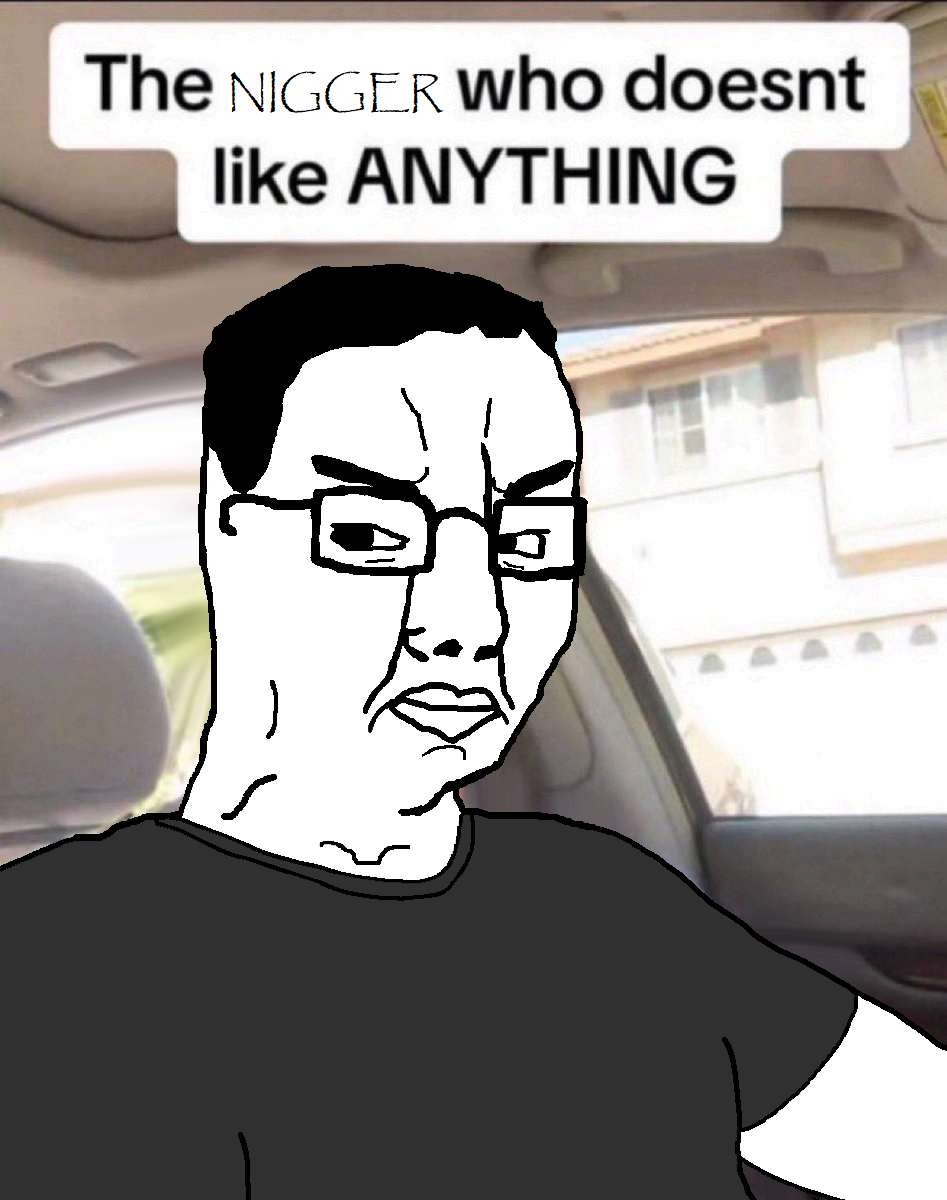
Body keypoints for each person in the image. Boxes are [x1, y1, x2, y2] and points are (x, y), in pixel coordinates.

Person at [1, 265, 942, 1199]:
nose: (471, 620)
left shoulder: (598, 896)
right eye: (369, 534)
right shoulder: (68, 963)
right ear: (232, 537)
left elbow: (912, 1137)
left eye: (525, 543)